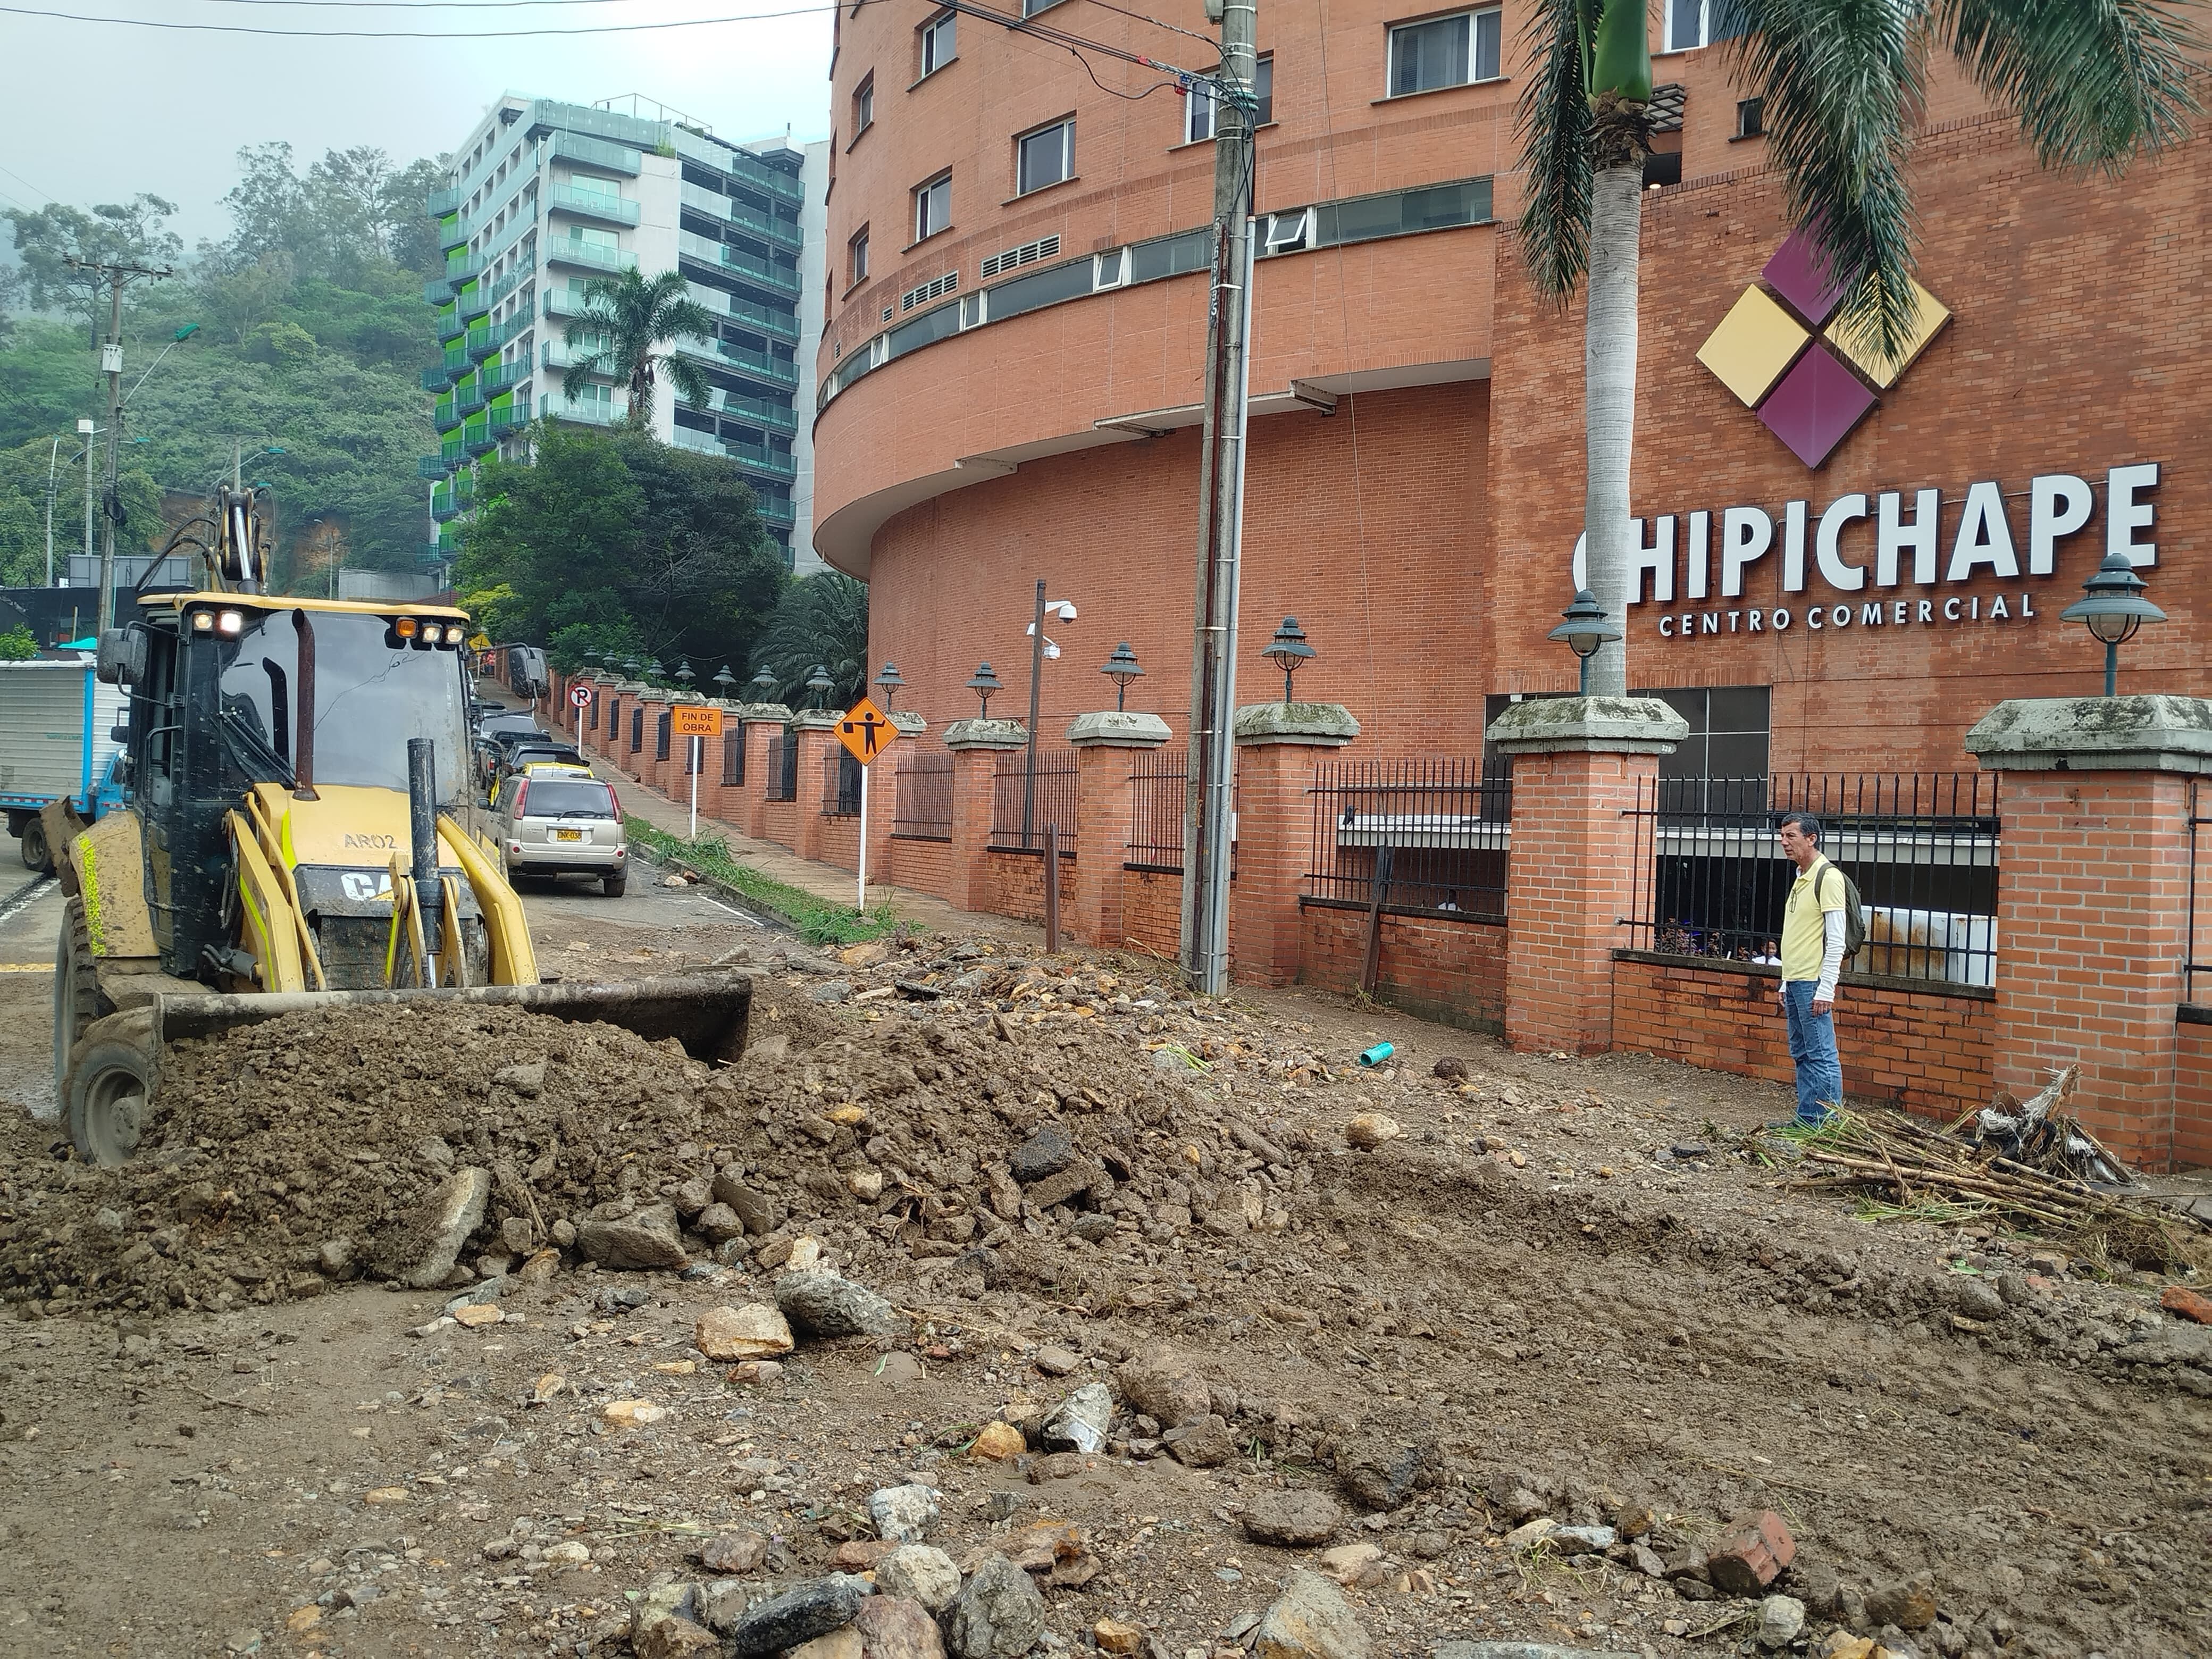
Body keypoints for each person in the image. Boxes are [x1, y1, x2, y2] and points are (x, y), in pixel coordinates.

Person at [1775, 811, 1846, 1126]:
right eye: (1782, 836)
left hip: (1812, 982)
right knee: (1802, 1053)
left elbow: (1836, 940)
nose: (1784, 842)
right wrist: (1783, 983)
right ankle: (1807, 1119)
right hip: (1795, 981)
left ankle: (1827, 1124)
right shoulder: (1800, 877)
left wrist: (1826, 988)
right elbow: (1797, 936)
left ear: (1811, 838)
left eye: (1792, 836)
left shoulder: (1827, 877)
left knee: (1821, 1055)